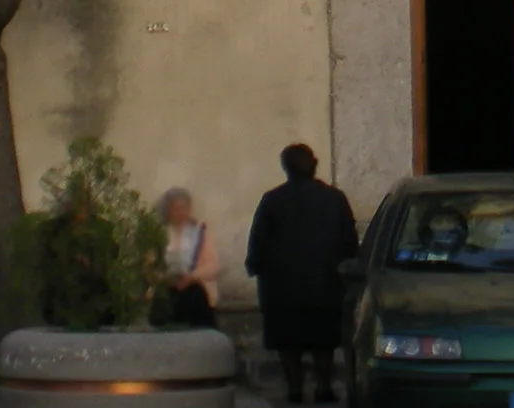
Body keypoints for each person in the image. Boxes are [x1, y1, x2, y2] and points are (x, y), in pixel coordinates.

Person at [245, 144, 359, 405]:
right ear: (315, 164)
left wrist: (256, 266)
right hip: (326, 285)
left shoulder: (272, 200)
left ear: (285, 167)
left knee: (288, 342)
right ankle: (323, 387)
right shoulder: (335, 199)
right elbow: (349, 242)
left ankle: (294, 389)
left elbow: (258, 243)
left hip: (282, 288)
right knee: (324, 342)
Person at [152, 187, 221, 327]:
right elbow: (150, 265)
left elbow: (213, 266)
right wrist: (165, 278)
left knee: (193, 297)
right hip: (167, 290)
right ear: (168, 210)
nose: (181, 212)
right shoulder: (159, 233)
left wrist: (191, 277)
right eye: (176, 208)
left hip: (196, 290)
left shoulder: (200, 231)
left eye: (185, 207)